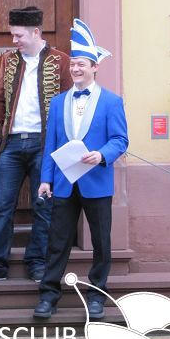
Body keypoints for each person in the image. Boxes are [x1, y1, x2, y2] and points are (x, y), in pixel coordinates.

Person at [33, 18, 128, 320]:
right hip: (64, 182)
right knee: (57, 241)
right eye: (73, 64)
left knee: (101, 242)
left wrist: (102, 155)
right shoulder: (59, 102)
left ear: (95, 67)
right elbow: (51, 143)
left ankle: (97, 295)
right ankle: (49, 296)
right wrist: (45, 179)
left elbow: (120, 140)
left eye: (81, 64)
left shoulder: (112, 102)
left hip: (96, 181)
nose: (75, 69)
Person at [0, 7, 72, 284]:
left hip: (45, 145)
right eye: (13, 35)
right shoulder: (8, 60)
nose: (14, 40)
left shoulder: (61, 61)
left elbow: (68, 103)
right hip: (12, 144)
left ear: (36, 32)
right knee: (2, 206)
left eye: (19, 36)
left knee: (44, 206)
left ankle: (37, 262)